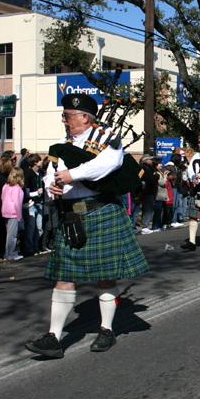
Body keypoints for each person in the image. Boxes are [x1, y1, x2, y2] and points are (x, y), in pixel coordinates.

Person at [25, 93, 149, 358]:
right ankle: (54, 338)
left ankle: (106, 330)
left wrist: (72, 174)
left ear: (84, 117)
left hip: (101, 211)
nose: (64, 120)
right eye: (64, 115)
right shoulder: (61, 146)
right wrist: (52, 186)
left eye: (67, 115)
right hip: (71, 216)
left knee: (105, 276)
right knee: (63, 277)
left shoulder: (107, 139)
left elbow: (108, 164)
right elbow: (50, 174)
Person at [22, 153, 44, 254]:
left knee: (39, 227)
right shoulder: (28, 174)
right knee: (31, 228)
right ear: (35, 162)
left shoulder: (40, 173)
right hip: (31, 203)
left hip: (39, 202)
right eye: (40, 160)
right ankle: (29, 248)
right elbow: (25, 192)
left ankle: (36, 246)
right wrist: (36, 193)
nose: (42, 162)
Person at [1, 167, 25, 261]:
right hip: (13, 213)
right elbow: (17, 203)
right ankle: (11, 254)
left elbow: (2, 197)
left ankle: (7, 253)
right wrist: (20, 217)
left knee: (9, 234)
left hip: (5, 211)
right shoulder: (16, 188)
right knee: (13, 235)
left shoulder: (6, 186)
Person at [139, 154, 160, 234]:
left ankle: (144, 225)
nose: (151, 161)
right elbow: (151, 179)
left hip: (147, 191)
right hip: (148, 191)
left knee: (147, 209)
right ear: (145, 160)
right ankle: (145, 226)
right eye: (150, 159)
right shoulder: (146, 169)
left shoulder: (148, 168)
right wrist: (156, 177)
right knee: (148, 209)